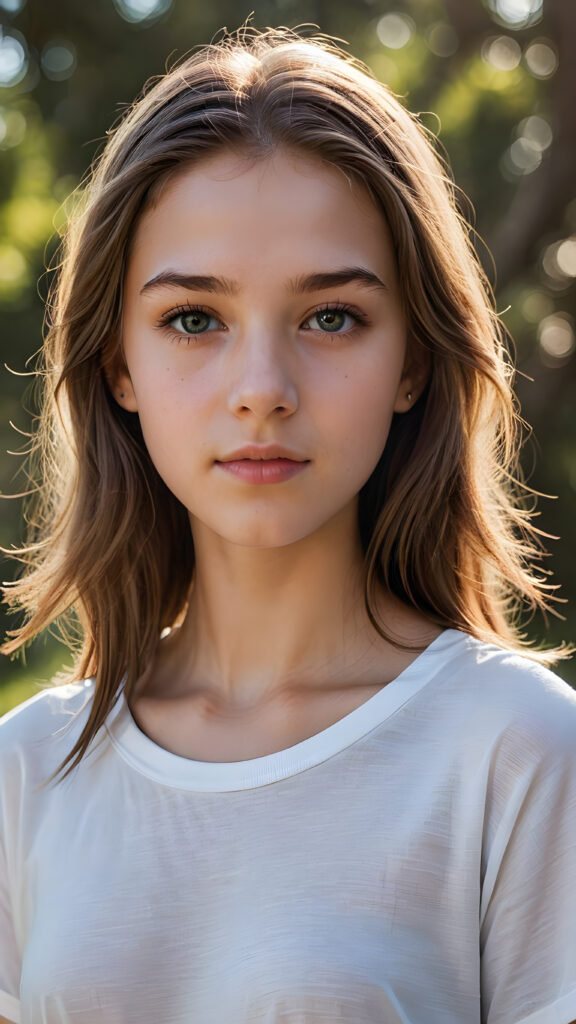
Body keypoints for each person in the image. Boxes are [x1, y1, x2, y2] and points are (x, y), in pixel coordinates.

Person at [0, 23, 575, 1024]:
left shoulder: (517, 753)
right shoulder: (27, 773)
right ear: (118, 367)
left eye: (331, 317)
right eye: (194, 319)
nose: (261, 389)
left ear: (412, 365)